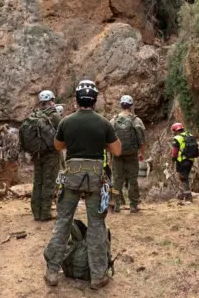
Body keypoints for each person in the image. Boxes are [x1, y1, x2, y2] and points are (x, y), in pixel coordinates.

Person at [44, 80, 122, 290]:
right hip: (97, 178)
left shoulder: (66, 122)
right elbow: (117, 151)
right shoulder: (104, 123)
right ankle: (98, 276)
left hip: (71, 178)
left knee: (63, 222)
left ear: (76, 100)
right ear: (94, 100)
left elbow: (58, 146)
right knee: (96, 225)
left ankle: (52, 271)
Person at [110, 95, 145, 213]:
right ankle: (133, 205)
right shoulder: (136, 120)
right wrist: (141, 153)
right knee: (132, 180)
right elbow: (142, 140)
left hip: (117, 154)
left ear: (121, 105)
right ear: (131, 106)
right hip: (132, 154)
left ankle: (116, 204)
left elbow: (109, 139)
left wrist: (112, 154)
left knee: (117, 180)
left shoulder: (113, 120)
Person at [30, 90, 62, 221]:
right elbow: (61, 134)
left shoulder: (35, 115)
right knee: (48, 183)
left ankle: (36, 212)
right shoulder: (54, 115)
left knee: (38, 182)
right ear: (51, 101)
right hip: (51, 155)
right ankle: (45, 213)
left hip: (37, 154)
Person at [171, 122, 194, 202]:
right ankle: (182, 195)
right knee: (184, 177)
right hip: (191, 160)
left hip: (182, 161)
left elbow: (175, 152)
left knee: (183, 178)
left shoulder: (177, 138)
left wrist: (173, 159)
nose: (173, 133)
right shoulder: (190, 135)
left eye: (173, 131)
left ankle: (188, 198)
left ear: (175, 130)